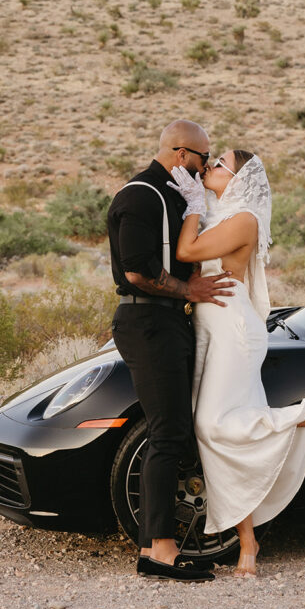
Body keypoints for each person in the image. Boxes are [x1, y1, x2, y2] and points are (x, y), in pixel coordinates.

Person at [169, 150, 305, 578]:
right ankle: (248, 546)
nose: (210, 167)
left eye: (219, 164)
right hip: (210, 326)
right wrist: (197, 204)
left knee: (212, 426)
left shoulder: (244, 220)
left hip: (232, 327)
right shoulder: (222, 211)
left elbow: (186, 251)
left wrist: (194, 206)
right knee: (211, 434)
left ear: (239, 178)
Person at [107, 120, 236, 583]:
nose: (206, 166)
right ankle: (160, 551)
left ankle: (152, 546)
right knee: (166, 433)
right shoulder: (139, 195)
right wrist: (190, 290)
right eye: (204, 157)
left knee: (174, 431)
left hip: (168, 321)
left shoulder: (176, 196)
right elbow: (138, 271)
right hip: (147, 322)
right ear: (182, 154)